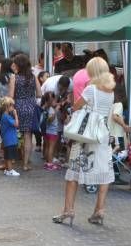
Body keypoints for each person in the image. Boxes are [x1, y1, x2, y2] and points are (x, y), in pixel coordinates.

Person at [53, 57, 116, 227]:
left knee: (73, 173)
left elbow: (76, 107)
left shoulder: (91, 89)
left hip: (86, 137)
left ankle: (68, 210)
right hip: (102, 135)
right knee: (104, 174)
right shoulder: (110, 91)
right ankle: (99, 210)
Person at [13, 53, 40, 171]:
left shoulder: (15, 78)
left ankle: (14, 158)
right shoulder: (33, 77)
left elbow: (10, 96)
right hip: (31, 107)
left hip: (18, 107)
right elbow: (39, 93)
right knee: (28, 135)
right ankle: (25, 163)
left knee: (17, 133)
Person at [0, 97, 20, 177]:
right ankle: (10, 170)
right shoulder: (7, 117)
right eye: (12, 106)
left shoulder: (4, 116)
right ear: (7, 107)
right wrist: (16, 115)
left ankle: (7, 169)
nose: (13, 108)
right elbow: (16, 124)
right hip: (10, 140)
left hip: (7, 140)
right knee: (10, 157)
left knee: (7, 156)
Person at [41, 92, 62, 171]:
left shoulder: (44, 107)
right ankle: (50, 164)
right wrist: (55, 112)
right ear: (51, 100)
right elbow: (50, 120)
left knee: (47, 146)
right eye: (53, 99)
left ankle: (47, 163)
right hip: (52, 131)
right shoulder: (51, 109)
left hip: (46, 131)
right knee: (51, 148)